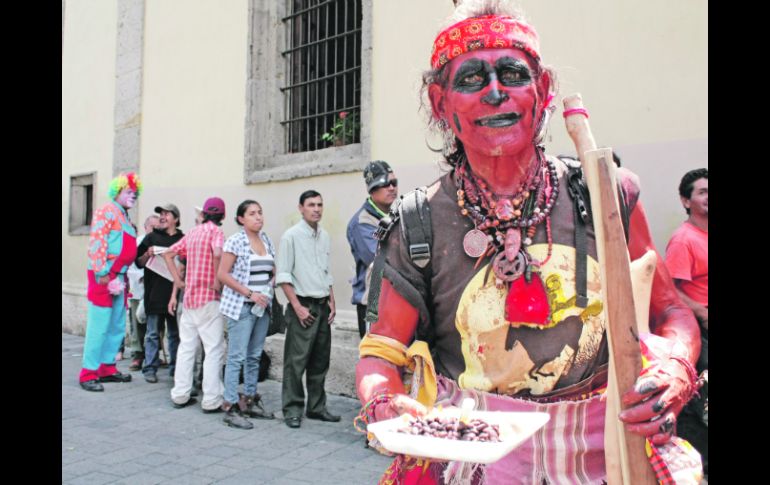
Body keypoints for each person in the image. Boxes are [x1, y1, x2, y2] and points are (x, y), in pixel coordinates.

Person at [354, 3, 702, 483]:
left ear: (543, 91)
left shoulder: (606, 191)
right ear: (440, 103)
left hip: (611, 451)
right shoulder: (418, 221)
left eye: (512, 74)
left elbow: (671, 314)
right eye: (472, 79)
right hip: (473, 456)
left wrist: (676, 368)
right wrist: (382, 399)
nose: (496, 93)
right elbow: (382, 349)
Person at [276, 190, 340, 428]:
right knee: (296, 361)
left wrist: (332, 299)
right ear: (300, 208)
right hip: (302, 305)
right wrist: (297, 307)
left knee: (320, 360)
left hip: (322, 305)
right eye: (311, 205)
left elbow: (326, 271)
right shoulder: (290, 237)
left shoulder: (324, 236)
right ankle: (292, 409)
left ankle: (316, 407)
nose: (316, 209)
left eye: (320, 204)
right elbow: (283, 275)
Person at [79, 172, 142, 392]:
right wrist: (102, 271)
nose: (132, 196)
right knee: (99, 324)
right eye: (128, 191)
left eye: (135, 192)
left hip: (120, 276)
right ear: (117, 191)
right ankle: (88, 373)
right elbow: (97, 241)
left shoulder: (124, 216)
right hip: (104, 276)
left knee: (116, 324)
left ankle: (107, 367)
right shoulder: (106, 211)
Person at [217, 199, 278, 429]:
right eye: (252, 213)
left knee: (254, 355)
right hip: (241, 306)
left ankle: (249, 399)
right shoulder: (235, 241)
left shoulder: (266, 240)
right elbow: (223, 274)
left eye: (260, 212)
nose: (258, 217)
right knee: (236, 356)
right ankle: (230, 405)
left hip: (262, 306)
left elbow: (271, 268)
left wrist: (270, 282)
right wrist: (249, 292)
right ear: (241, 219)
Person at [163, 197, 227, 413]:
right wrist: (218, 280)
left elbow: (168, 253)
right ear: (223, 216)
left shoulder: (192, 233)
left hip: (190, 298)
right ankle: (210, 399)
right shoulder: (216, 233)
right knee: (213, 349)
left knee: (186, 347)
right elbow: (218, 253)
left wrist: (179, 282)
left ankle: (180, 394)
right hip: (209, 298)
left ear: (205, 214)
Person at [665, 168, 708, 473]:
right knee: (700, 404)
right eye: (702, 192)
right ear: (686, 200)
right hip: (702, 332)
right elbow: (672, 293)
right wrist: (704, 314)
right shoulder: (683, 240)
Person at [347, 161, 399, 338]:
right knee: (375, 360)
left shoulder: (396, 213)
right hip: (373, 303)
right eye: (385, 184)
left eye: (394, 183)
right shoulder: (363, 222)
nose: (391, 188)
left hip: (395, 299)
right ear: (372, 189)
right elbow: (381, 259)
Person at [134, 204, 184, 383]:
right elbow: (138, 262)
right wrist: (148, 255)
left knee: (174, 334)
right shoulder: (151, 237)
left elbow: (186, 264)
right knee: (153, 333)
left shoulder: (182, 239)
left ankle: (175, 368)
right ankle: (150, 368)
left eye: (166, 214)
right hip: (153, 293)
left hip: (174, 295)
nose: (162, 217)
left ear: (176, 219)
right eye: (160, 214)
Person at [127, 214, 160, 372]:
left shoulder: (160, 242)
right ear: (146, 227)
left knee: (155, 324)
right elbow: (132, 265)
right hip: (139, 288)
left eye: (157, 227)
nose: (155, 230)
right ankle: (137, 354)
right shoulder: (138, 243)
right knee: (137, 322)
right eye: (152, 227)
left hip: (156, 290)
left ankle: (153, 354)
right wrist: (142, 277)